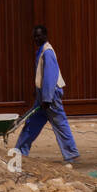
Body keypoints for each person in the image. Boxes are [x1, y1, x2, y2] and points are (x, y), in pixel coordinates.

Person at [15, 25, 79, 165]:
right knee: (31, 123)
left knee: (60, 124)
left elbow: (50, 77)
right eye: (35, 37)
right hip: (43, 96)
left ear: (46, 36)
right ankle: (19, 152)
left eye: (39, 36)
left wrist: (47, 98)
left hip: (51, 96)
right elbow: (41, 75)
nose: (37, 39)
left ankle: (71, 154)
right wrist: (38, 92)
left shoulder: (48, 52)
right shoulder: (40, 51)